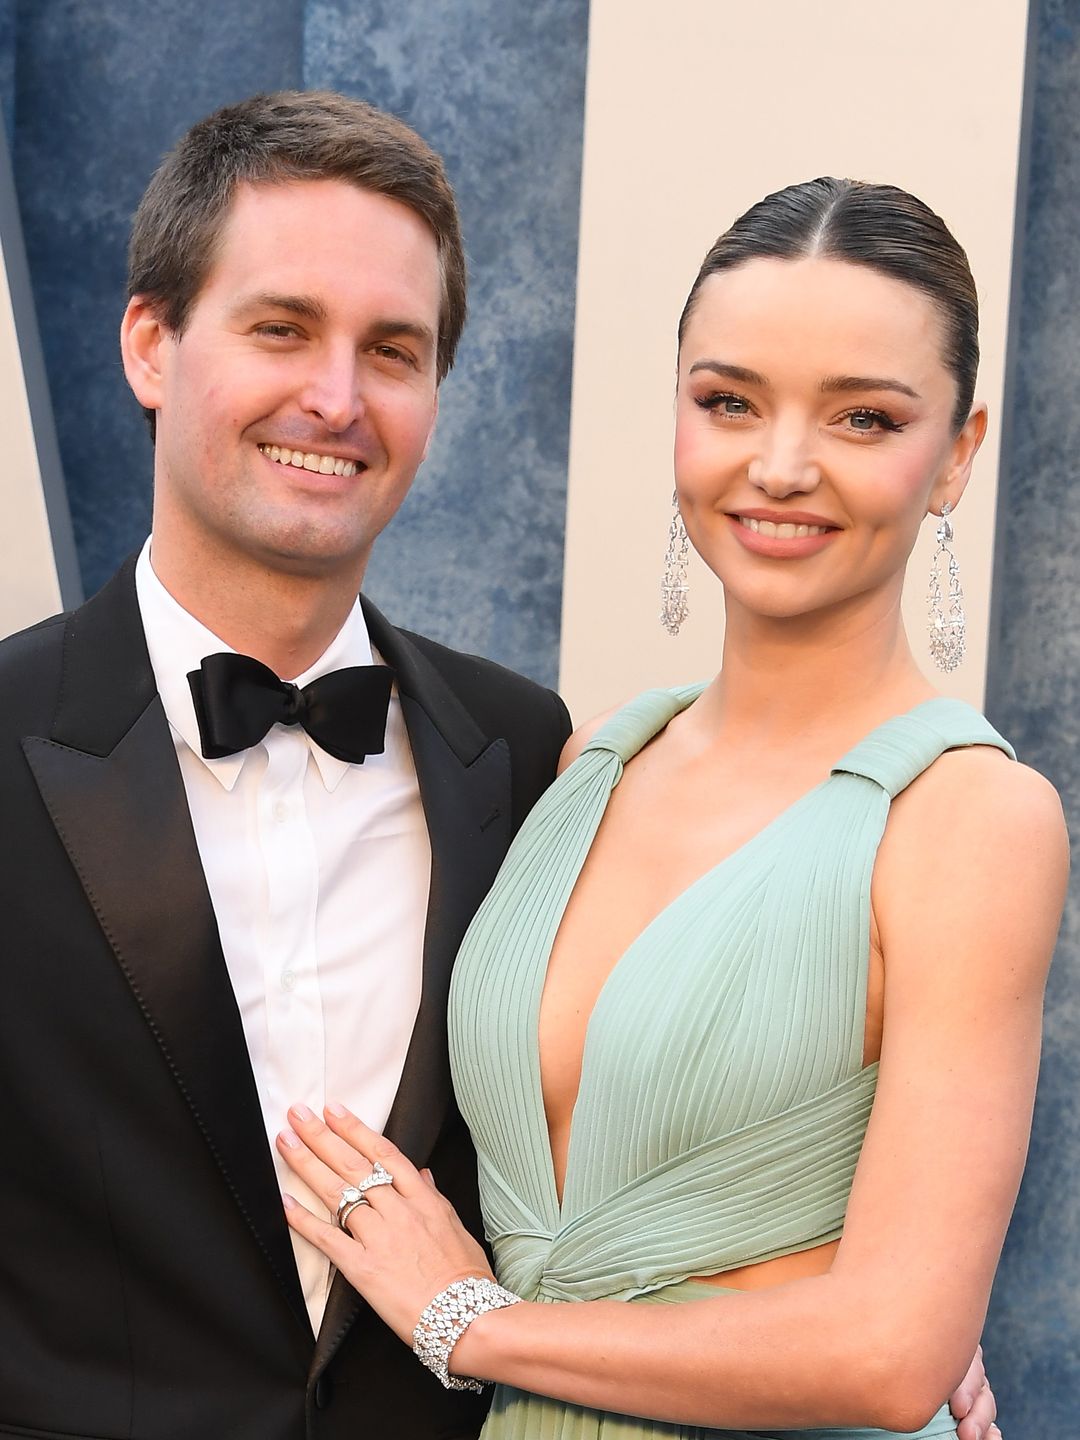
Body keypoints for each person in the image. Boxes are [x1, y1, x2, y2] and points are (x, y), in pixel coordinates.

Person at [276, 178, 1068, 1439]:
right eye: (730, 402)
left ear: (956, 454)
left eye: (864, 418)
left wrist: (472, 1323)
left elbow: (889, 1349)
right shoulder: (588, 757)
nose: (784, 464)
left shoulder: (971, 819)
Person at [0, 91, 571, 1439]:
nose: (337, 395)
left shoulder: (530, 751)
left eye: (394, 350)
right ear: (151, 343)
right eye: (281, 328)